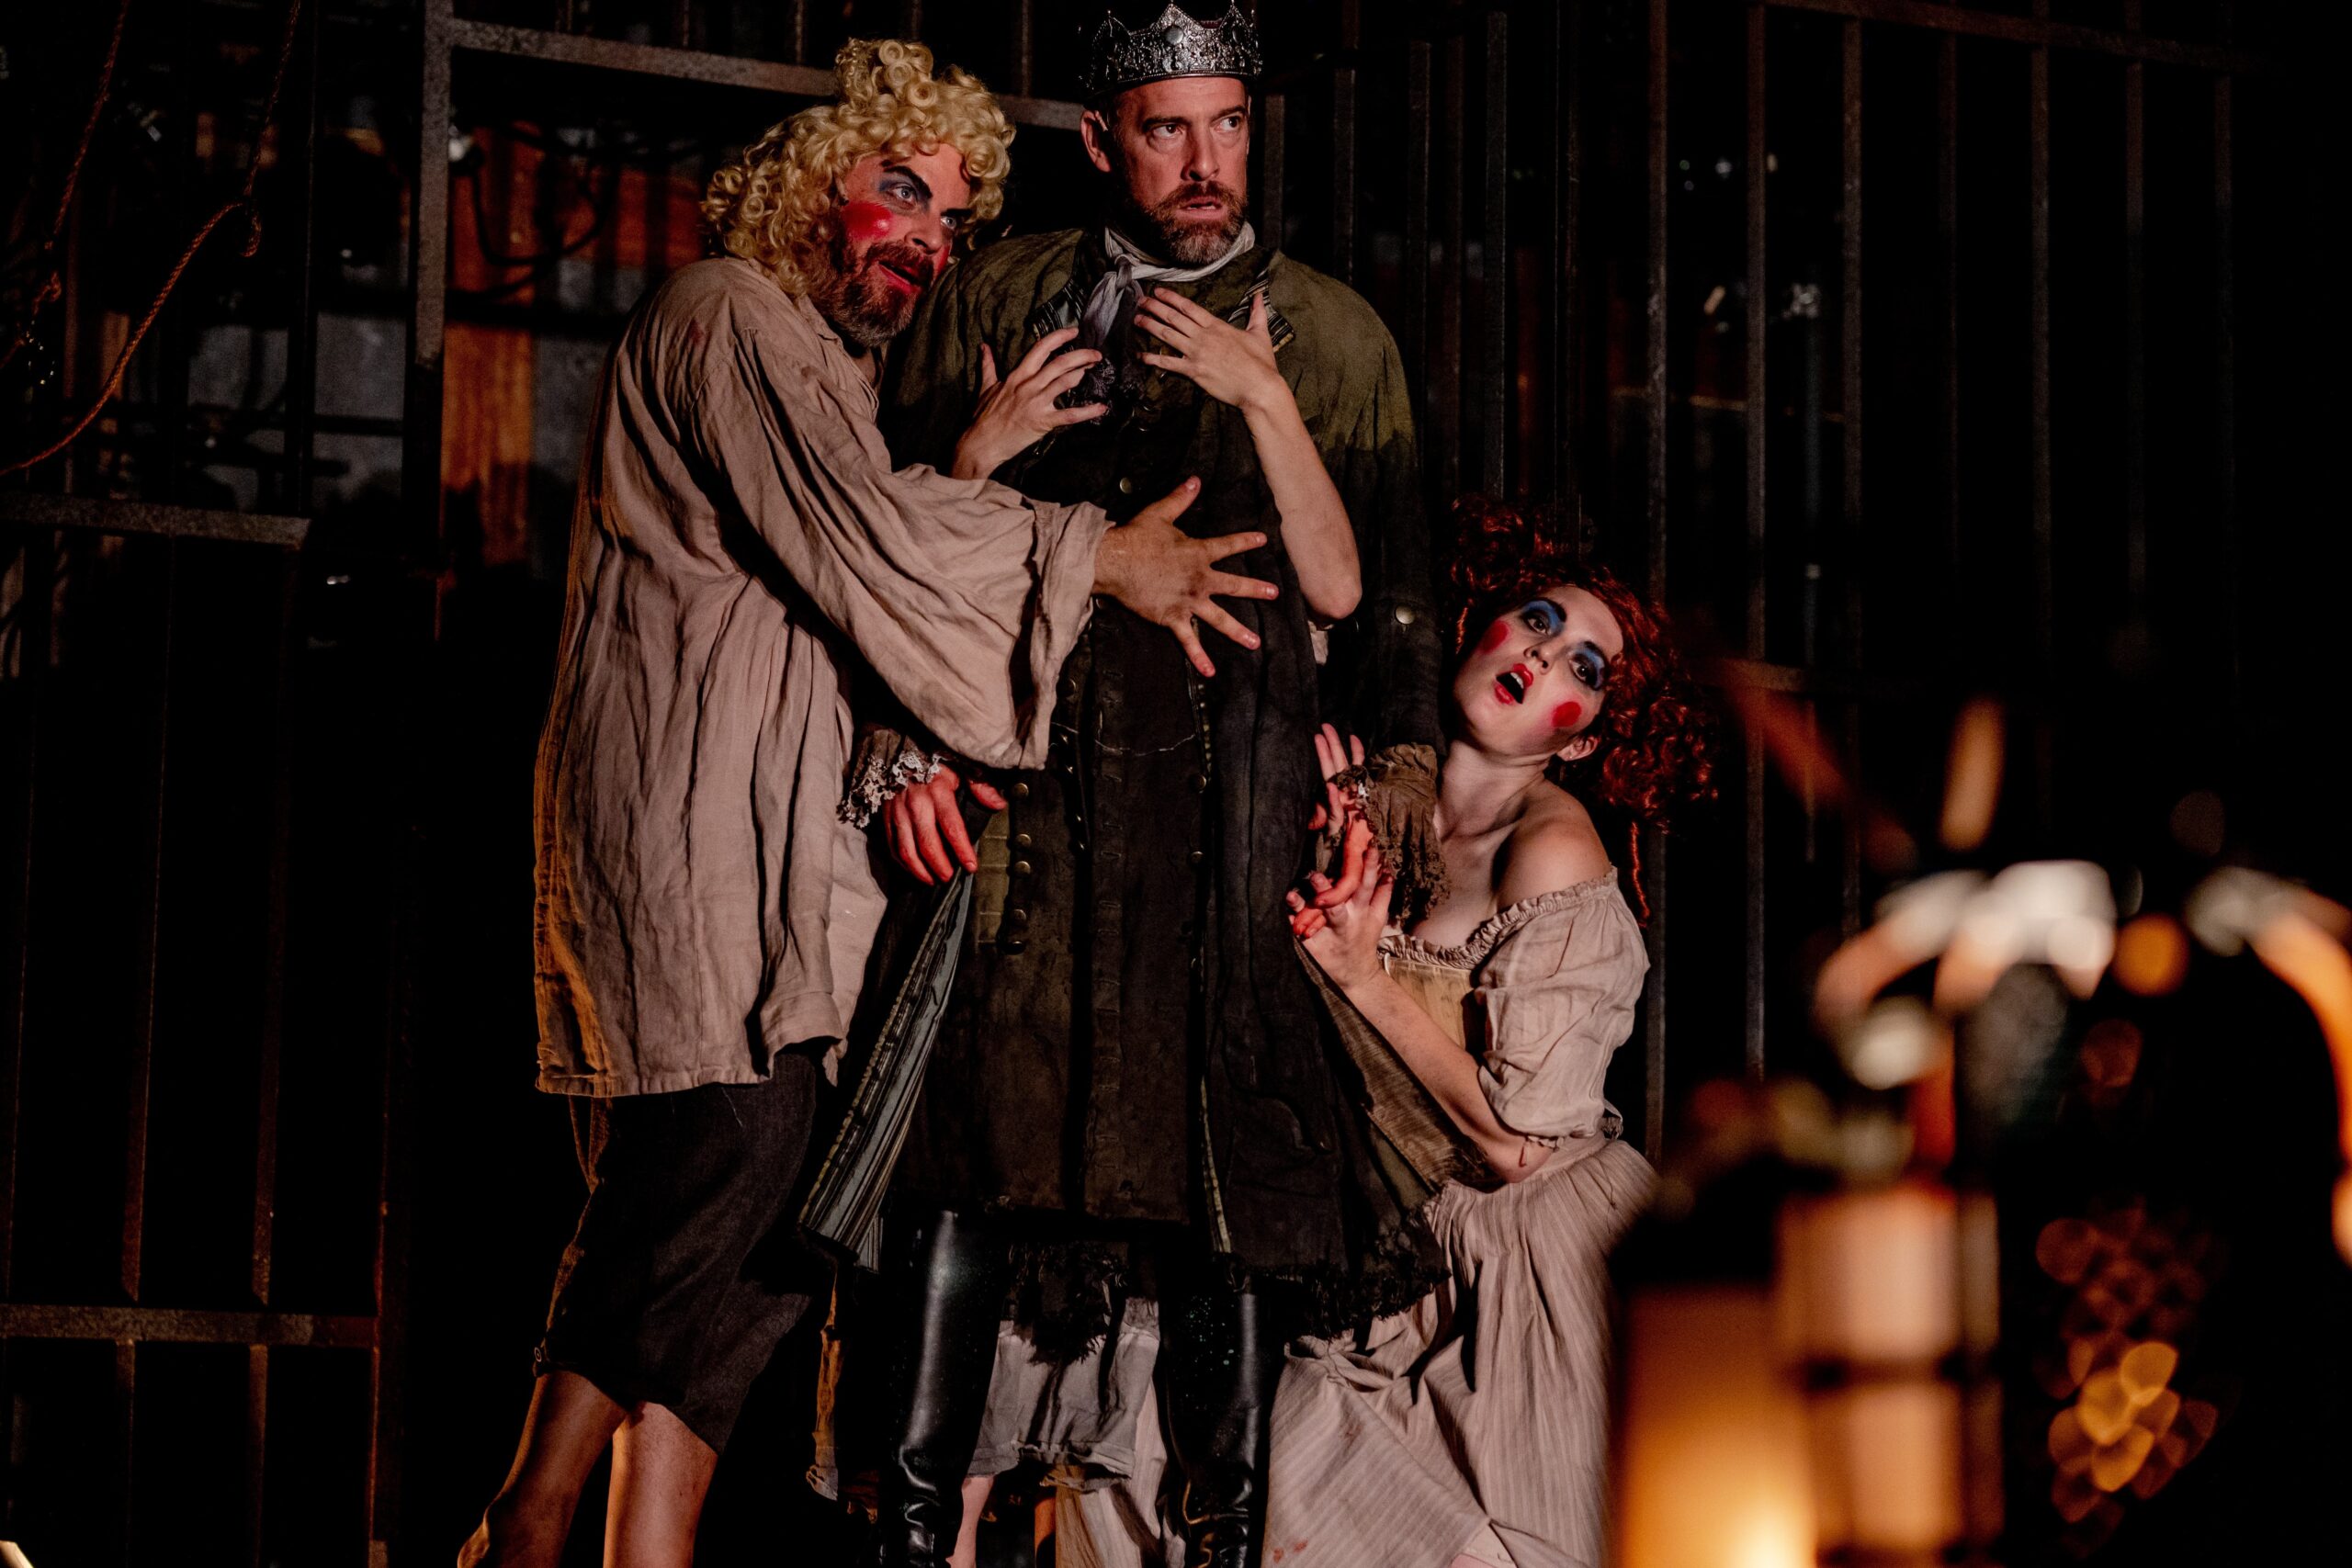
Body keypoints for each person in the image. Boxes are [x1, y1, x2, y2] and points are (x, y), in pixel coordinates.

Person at [463, 39, 1273, 1568]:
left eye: (953, 220)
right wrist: (1094, 553)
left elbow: (858, 546)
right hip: (701, 829)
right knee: (719, 1152)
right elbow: (860, 547)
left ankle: (641, 1543)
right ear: (807, 187)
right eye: (901, 188)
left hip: (781, 848)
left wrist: (970, 463)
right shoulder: (730, 311)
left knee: (779, 1217)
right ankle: (525, 1514)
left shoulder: (820, 369)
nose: (927, 234)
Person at [808, 5, 1443, 1566]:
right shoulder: (1008, 296)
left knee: (1224, 1164)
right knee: (967, 1145)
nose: (1206, 159)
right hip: (1030, 804)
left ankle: (1218, 1540)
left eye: (1229, 124)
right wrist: (898, 752)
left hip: (1231, 812)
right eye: (1169, 128)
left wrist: (1393, 777)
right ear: (1103, 142)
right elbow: (888, 554)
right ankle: (902, 1535)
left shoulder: (1337, 333)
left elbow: (1392, 599)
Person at [1268, 496, 1716, 1568]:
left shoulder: (1553, 854)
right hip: (1395, 1236)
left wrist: (1365, 975)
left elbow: (1516, 1147)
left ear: (1584, 742)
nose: (1545, 656)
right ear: (1481, 626)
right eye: (1538, 622)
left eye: (1585, 671)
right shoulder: (1384, 792)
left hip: (1531, 1262)